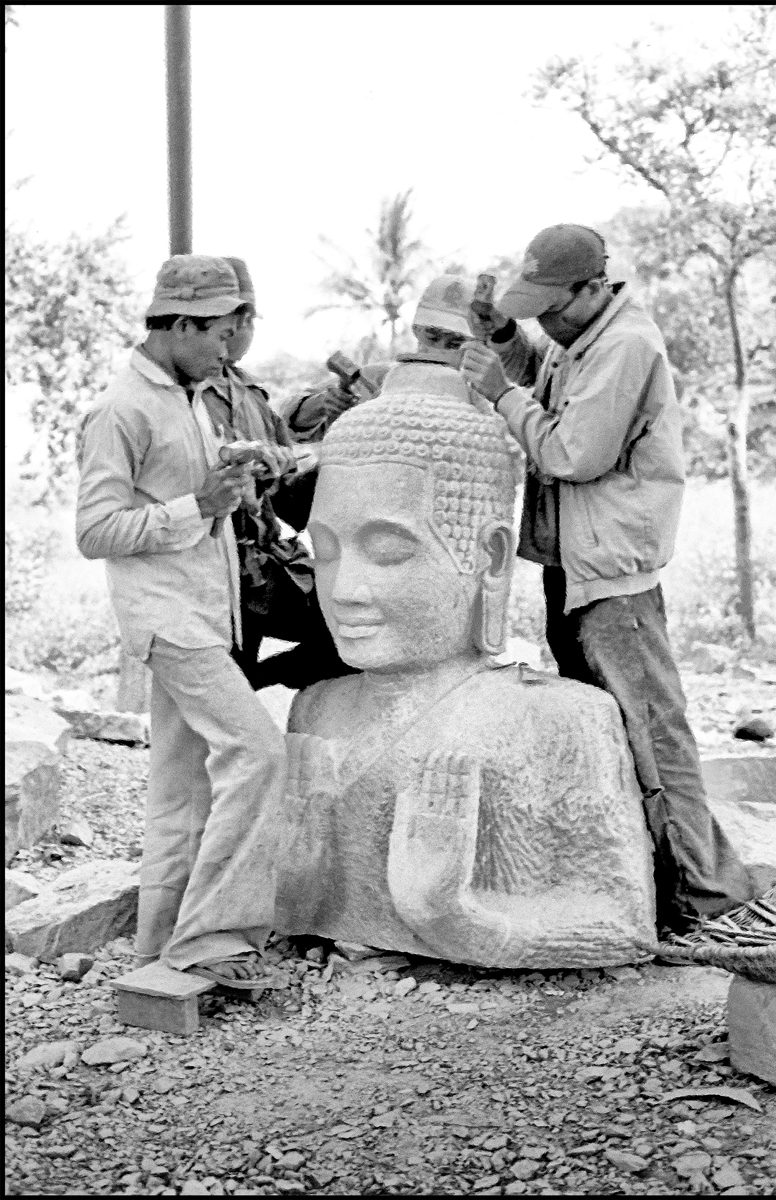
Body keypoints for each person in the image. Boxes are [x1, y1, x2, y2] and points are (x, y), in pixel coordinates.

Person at [271, 368, 658, 968]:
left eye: (390, 551)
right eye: (326, 550)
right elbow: (291, 908)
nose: (344, 588)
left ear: (491, 557)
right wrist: (297, 880)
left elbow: (624, 927)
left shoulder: (562, 719)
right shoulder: (318, 707)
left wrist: (457, 919)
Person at [459, 223, 757, 936]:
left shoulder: (625, 345)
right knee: (609, 734)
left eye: (552, 309)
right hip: (577, 564)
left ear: (595, 287)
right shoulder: (584, 337)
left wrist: (500, 394)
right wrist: (508, 339)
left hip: (612, 574)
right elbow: (546, 381)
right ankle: (652, 887)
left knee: (653, 733)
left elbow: (571, 452)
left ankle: (710, 897)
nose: (546, 324)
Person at [76, 254, 288, 988]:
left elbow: (192, 493)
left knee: (182, 788)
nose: (231, 351)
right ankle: (213, 938)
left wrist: (235, 476)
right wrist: (195, 506)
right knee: (260, 754)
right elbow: (95, 531)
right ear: (182, 325)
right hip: (168, 620)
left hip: (199, 611)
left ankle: (158, 950)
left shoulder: (190, 395)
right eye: (224, 334)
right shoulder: (121, 409)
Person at [198, 257, 356, 691]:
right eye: (232, 321)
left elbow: (286, 478)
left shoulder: (249, 393)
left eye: (243, 320)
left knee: (352, 634)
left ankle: (257, 683)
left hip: (270, 563)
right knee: (217, 708)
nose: (240, 330)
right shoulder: (180, 396)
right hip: (218, 567)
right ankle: (243, 689)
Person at [278, 274, 480, 442]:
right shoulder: (374, 379)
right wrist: (325, 403)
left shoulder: (482, 398)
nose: (439, 349)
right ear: (417, 331)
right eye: (432, 337)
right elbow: (289, 424)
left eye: (455, 343)